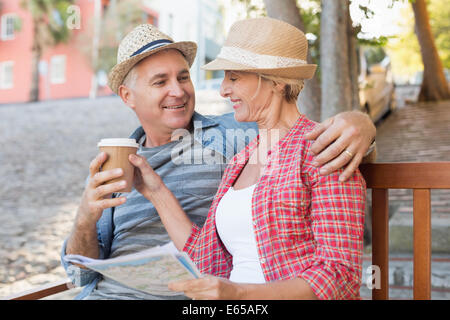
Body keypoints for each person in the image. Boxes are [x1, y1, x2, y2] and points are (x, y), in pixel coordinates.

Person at [61, 22, 374, 300]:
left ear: (277, 81)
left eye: (234, 78)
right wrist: (144, 194)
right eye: (160, 82)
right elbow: (205, 257)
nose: (223, 90)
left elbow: (341, 274)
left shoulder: (293, 144)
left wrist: (361, 124)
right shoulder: (240, 159)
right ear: (127, 96)